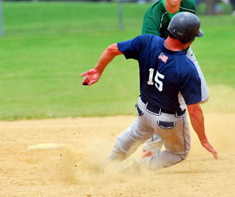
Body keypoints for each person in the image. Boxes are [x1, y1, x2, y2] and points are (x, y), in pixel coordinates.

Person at [81, 12, 218, 171]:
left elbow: (112, 49)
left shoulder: (146, 41)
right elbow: (194, 110)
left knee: (133, 135)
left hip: (144, 110)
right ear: (189, 40)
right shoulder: (187, 68)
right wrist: (204, 140)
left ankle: (108, 163)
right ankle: (136, 169)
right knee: (179, 153)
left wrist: (98, 70)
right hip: (168, 121)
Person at [141, 0, 209, 158]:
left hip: (184, 54)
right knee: (169, 103)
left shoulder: (189, 4)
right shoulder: (153, 16)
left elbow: (191, 34)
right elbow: (149, 47)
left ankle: (163, 136)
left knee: (202, 96)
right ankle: (151, 148)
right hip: (160, 60)